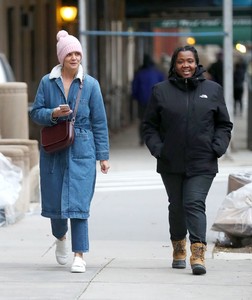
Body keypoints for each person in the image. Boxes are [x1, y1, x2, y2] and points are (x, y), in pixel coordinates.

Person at [143, 45, 232, 275]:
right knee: (177, 206)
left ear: (197, 63)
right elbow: (149, 126)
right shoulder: (160, 90)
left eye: (190, 61)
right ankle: (178, 246)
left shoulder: (212, 90)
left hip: (203, 161)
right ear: (174, 64)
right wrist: (158, 149)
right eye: (181, 61)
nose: (186, 65)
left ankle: (198, 252)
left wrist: (217, 148)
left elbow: (223, 124)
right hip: (170, 162)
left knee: (193, 203)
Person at [30, 30, 110, 273]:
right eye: (70, 54)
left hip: (82, 147)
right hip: (54, 148)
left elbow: (100, 121)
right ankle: (60, 237)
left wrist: (103, 156)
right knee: (55, 202)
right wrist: (53, 114)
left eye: (78, 53)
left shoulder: (91, 84)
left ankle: (80, 255)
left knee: (79, 204)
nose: (74, 58)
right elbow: (35, 113)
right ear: (61, 57)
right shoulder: (47, 82)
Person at [132, 54, 165, 145]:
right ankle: (155, 139)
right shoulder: (158, 73)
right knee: (156, 120)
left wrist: (135, 97)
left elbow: (135, 87)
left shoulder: (140, 73)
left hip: (142, 100)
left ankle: (142, 139)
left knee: (142, 120)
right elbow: (164, 87)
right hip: (155, 100)